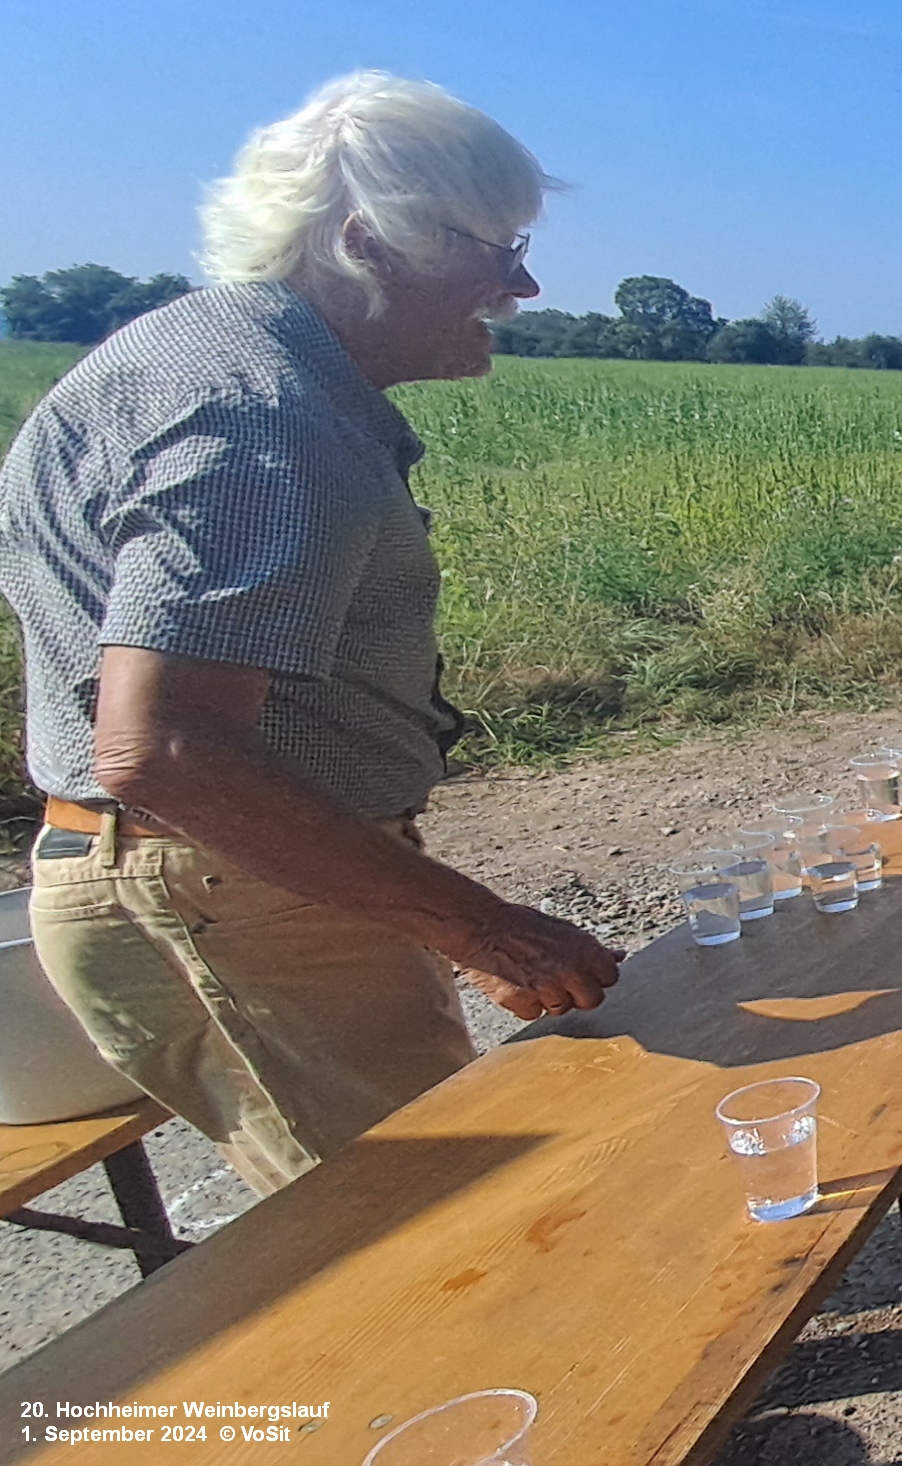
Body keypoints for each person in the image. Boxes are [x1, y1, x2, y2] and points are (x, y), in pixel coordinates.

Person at [0, 72, 621, 1195]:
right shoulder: (264, 418)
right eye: (498, 249)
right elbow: (164, 747)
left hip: (201, 876)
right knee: (429, 1230)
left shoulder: (184, 354)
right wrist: (485, 932)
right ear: (367, 242)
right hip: (233, 888)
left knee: (376, 1216)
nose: (522, 285)